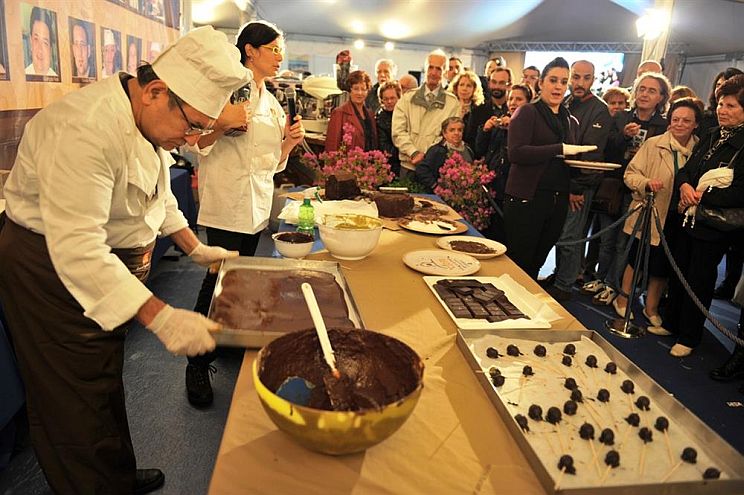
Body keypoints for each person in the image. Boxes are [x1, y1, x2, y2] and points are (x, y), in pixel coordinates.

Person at [0, 26, 250, 493]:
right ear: (157, 91)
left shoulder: (145, 116)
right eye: (193, 125)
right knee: (74, 399)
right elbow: (77, 248)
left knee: (103, 380)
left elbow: (154, 194)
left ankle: (113, 473)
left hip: (105, 265)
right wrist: (163, 318)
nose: (194, 140)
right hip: (51, 271)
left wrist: (195, 248)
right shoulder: (83, 128)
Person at [185, 21, 305, 407]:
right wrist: (222, 125)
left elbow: (267, 164)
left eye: (280, 49)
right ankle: (197, 362)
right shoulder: (224, 91)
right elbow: (195, 144)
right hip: (225, 205)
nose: (279, 56)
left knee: (244, 281)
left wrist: (286, 144)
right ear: (250, 50)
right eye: (272, 48)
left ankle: (231, 338)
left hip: (254, 207)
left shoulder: (270, 101)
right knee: (217, 283)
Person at [661, 74, 744, 357]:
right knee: (678, 271)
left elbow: (740, 192)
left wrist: (702, 195)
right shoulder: (710, 135)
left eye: (731, 105)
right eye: (721, 103)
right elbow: (687, 169)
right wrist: (685, 185)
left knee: (699, 278)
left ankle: (689, 335)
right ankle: (671, 322)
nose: (723, 110)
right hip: (689, 217)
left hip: (714, 225)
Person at [612, 98, 701, 327]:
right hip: (650, 210)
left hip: (678, 215)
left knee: (663, 264)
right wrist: (647, 183)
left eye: (686, 120)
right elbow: (630, 175)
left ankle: (651, 307)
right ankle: (623, 299)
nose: (680, 124)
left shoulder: (699, 149)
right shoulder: (653, 144)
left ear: (695, 124)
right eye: (675, 119)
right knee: (636, 258)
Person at [503, 57, 592, 279]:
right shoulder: (527, 112)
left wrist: (581, 169)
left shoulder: (568, 119)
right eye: (553, 80)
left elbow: (567, 160)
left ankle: (525, 305)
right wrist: (558, 148)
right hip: (527, 198)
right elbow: (516, 153)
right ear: (541, 83)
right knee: (518, 262)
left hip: (556, 199)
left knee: (537, 262)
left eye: (563, 81)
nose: (558, 86)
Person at [589, 72, 671, 306]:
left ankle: (616, 286)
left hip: (639, 193)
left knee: (624, 244)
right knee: (605, 240)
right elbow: (605, 148)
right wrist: (623, 137)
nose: (645, 94)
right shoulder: (620, 117)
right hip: (613, 187)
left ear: (661, 97)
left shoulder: (663, 126)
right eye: (642, 89)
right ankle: (601, 278)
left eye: (652, 90)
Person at [547, 60, 612, 301]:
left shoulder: (599, 110)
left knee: (570, 237)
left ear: (593, 80)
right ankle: (559, 274)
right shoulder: (565, 103)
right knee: (560, 235)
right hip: (561, 181)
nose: (579, 83)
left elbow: (590, 154)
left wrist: (575, 188)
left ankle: (564, 285)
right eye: (575, 77)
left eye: (586, 78)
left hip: (580, 185)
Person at [477, 83, 532, 242]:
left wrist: (514, 127)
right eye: (510, 99)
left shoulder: (531, 123)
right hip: (492, 185)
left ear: (528, 102)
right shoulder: (500, 119)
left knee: (505, 234)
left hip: (512, 188)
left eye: (519, 99)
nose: (513, 102)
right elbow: (480, 149)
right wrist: (485, 130)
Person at [392, 49, 458, 178]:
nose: (433, 72)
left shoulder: (452, 103)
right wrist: (413, 152)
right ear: (425, 69)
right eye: (430, 67)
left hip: (434, 170)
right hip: (408, 167)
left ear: (444, 72)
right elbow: (398, 131)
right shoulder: (407, 98)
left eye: (438, 69)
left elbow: (449, 136)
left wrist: (427, 157)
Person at [415, 116, 473, 192]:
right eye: (452, 130)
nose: (456, 133)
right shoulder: (437, 150)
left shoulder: (468, 150)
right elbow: (421, 169)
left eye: (459, 130)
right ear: (444, 133)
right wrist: (435, 186)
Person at [325, 70, 377, 152]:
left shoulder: (370, 114)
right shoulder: (339, 113)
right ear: (350, 90)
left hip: (369, 162)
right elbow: (332, 146)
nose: (360, 93)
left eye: (363, 89)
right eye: (356, 89)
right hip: (348, 164)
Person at [448, 69, 484, 150]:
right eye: (461, 85)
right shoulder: (449, 107)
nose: (464, 89)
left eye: (469, 86)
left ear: (474, 89)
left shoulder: (479, 110)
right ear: (456, 87)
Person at [376, 80, 403, 177]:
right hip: (389, 166)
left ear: (399, 98)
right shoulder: (380, 119)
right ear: (381, 100)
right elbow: (384, 147)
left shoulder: (405, 115)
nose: (389, 102)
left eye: (392, 98)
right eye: (386, 99)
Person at [25, 6, 57, 77]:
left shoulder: (58, 83)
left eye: (45, 43)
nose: (40, 49)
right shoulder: (21, 77)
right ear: (30, 42)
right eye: (36, 39)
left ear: (50, 49)